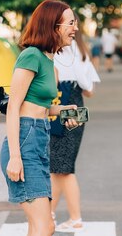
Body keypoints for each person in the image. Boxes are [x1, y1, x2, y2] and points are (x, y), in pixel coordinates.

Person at [0, 0, 80, 236]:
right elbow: (14, 107)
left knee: (43, 226)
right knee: (44, 226)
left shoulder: (49, 60)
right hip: (24, 143)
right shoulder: (31, 56)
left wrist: (65, 110)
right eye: (71, 23)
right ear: (53, 25)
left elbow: (41, 107)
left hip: (39, 141)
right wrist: (15, 157)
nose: (75, 28)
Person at [50, 26, 100, 232]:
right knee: (58, 167)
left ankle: (74, 217)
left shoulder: (57, 53)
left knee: (62, 168)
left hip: (61, 109)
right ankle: (49, 214)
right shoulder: (81, 53)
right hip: (77, 109)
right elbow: (89, 91)